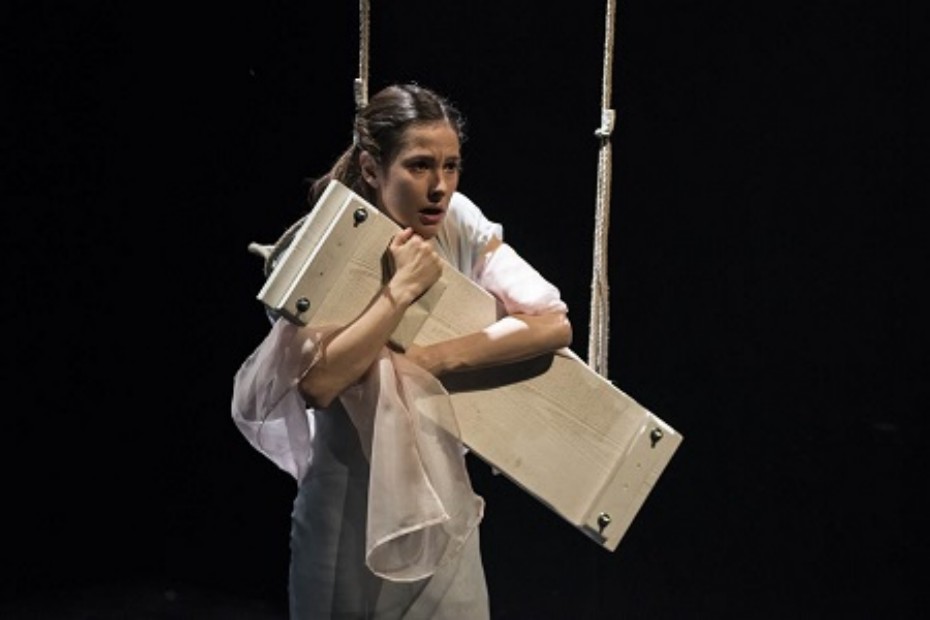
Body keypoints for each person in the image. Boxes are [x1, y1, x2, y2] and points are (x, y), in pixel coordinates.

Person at [231, 82, 572, 619]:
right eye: (419, 166)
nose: (440, 187)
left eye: (451, 166)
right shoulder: (326, 243)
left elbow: (551, 322)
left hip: (440, 504)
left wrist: (434, 362)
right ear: (372, 169)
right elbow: (321, 384)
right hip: (345, 512)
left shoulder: (458, 219)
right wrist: (401, 290)